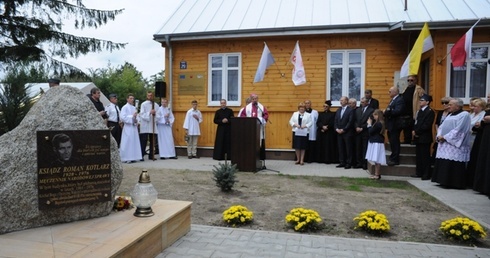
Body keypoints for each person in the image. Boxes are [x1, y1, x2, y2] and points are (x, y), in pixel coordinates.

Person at [431, 98, 471, 189]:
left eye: (450, 105)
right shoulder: (450, 115)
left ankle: (453, 182)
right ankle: (443, 180)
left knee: (453, 163)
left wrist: (445, 137)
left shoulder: (464, 115)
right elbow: (441, 126)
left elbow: (460, 129)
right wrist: (439, 135)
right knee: (444, 162)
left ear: (458, 106)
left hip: (454, 144)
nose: (448, 106)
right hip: (444, 143)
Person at [411, 94, 435, 180]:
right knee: (419, 156)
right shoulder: (419, 111)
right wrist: (414, 131)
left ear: (427, 102)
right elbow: (416, 122)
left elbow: (427, 125)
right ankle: (419, 172)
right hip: (418, 137)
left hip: (425, 137)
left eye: (422, 100)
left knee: (425, 156)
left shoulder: (430, 112)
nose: (420, 101)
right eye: (420, 100)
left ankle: (426, 174)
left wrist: (418, 131)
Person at [240, 93, 269, 161]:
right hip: (249, 128)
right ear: (251, 99)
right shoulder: (247, 108)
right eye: (253, 99)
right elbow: (242, 115)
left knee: (258, 142)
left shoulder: (261, 107)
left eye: (256, 99)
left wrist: (262, 119)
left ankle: (258, 157)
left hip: (259, 128)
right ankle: (249, 156)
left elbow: (266, 115)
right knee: (249, 142)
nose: (255, 100)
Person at [466, 98, 486, 187]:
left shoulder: (483, 114)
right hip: (468, 137)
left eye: (475, 106)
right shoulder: (471, 114)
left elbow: (479, 125)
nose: (473, 108)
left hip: (475, 137)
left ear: (481, 107)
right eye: (473, 106)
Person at [401, 75, 425, 144]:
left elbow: (423, 97)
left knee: (414, 125)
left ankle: (414, 140)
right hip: (405, 111)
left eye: (411, 80)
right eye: (408, 80)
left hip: (414, 110)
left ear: (415, 81)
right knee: (406, 126)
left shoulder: (418, 89)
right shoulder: (405, 88)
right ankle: (406, 140)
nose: (410, 82)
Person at [384, 86, 405, 166]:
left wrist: (387, 112)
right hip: (391, 124)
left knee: (395, 142)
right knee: (392, 142)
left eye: (390, 91)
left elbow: (398, 111)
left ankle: (395, 159)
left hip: (395, 124)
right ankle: (392, 157)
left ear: (395, 92)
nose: (388, 93)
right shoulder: (393, 100)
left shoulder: (399, 100)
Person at [119, 94, 142, 163]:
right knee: (127, 142)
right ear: (127, 99)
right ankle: (126, 157)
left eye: (133, 98)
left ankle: (133, 157)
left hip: (134, 127)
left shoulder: (134, 108)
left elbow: (137, 118)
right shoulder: (124, 107)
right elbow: (122, 117)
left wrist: (136, 119)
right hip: (128, 127)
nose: (132, 100)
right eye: (131, 98)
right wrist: (132, 116)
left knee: (134, 141)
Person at [473, 108, 490, 197]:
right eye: (488, 97)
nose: (488, 99)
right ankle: (483, 187)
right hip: (485, 137)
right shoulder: (488, 110)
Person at [365, 109, 386, 180]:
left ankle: (377, 174)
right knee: (376, 160)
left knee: (377, 159)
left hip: (377, 142)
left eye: (375, 115)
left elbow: (371, 131)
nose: (373, 116)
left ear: (378, 115)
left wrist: (369, 124)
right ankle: (376, 174)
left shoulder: (379, 124)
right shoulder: (378, 123)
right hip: (376, 141)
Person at [334, 96, 355, 169]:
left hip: (347, 133)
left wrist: (344, 129)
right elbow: (336, 120)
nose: (340, 101)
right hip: (339, 132)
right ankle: (342, 162)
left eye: (342, 100)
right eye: (340, 100)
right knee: (341, 148)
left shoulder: (350, 110)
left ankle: (348, 163)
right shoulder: (338, 110)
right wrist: (336, 129)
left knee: (348, 148)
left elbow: (350, 121)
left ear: (346, 101)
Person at [139, 91, 160, 161]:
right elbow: (142, 114)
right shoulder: (143, 104)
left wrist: (155, 115)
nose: (150, 97)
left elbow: (159, 115)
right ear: (147, 96)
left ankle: (151, 155)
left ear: (153, 96)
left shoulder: (156, 105)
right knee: (144, 140)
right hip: (145, 124)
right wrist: (149, 113)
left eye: (151, 95)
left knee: (152, 141)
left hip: (152, 124)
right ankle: (141, 155)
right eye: (148, 95)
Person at [431, 97, 453, 165]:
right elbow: (436, 123)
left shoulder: (451, 113)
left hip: (446, 135)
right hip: (439, 134)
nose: (444, 104)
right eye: (442, 103)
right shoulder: (440, 112)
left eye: (446, 103)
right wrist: (438, 132)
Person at [354, 97, 374, 170]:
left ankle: (364, 163)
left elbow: (370, 121)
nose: (361, 103)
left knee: (365, 148)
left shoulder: (371, 110)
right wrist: (356, 127)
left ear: (367, 103)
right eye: (361, 102)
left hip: (365, 132)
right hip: (358, 132)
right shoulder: (358, 110)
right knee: (358, 147)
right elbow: (355, 120)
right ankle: (358, 163)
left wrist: (362, 128)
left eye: (363, 102)